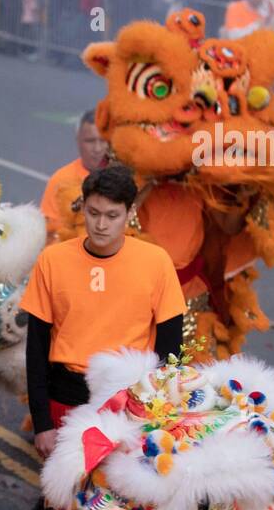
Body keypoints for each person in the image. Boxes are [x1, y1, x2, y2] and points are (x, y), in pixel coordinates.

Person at [21, 164, 185, 460]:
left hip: (129, 403)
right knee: (63, 500)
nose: (101, 224)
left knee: (120, 502)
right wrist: (42, 423)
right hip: (66, 397)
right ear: (82, 208)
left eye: (112, 216)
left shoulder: (156, 261)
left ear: (130, 213)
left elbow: (171, 349)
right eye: (94, 213)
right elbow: (36, 349)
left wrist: (158, 415)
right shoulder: (52, 260)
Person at [39, 110, 110, 242]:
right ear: (78, 141)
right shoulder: (61, 181)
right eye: (90, 141)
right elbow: (49, 234)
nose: (97, 148)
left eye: (103, 140)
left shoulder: (125, 179)